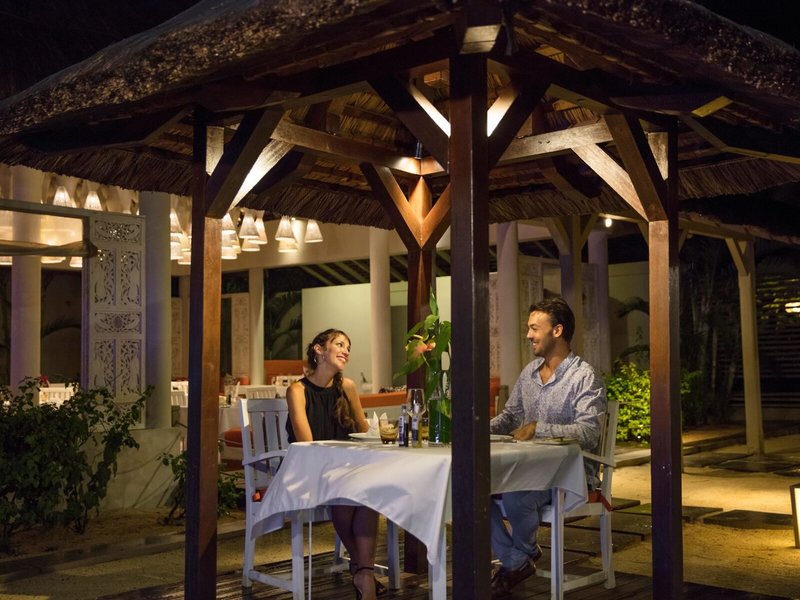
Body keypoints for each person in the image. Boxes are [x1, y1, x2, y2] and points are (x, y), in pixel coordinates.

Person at [488, 297, 607, 599]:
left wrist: (537, 428)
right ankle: (517, 559)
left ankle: (517, 558)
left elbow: (589, 432)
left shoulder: (585, 376)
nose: (528, 335)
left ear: (557, 330)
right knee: (473, 492)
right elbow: (509, 417)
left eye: (534, 328)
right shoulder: (529, 373)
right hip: (528, 469)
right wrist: (473, 429)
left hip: (569, 474)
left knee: (515, 496)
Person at [286, 328, 385, 600]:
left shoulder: (348, 387)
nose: (346, 351)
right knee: (348, 488)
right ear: (319, 350)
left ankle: (362, 572)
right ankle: (365, 572)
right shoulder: (297, 390)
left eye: (348, 347)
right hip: (309, 467)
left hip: (344, 469)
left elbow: (363, 431)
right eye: (339, 344)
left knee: (366, 490)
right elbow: (307, 445)